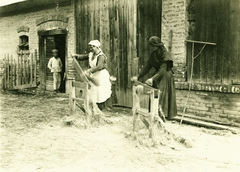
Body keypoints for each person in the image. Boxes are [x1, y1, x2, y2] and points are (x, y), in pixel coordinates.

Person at [132, 36, 177, 119]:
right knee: (153, 92)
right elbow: (147, 67)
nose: (152, 48)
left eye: (153, 46)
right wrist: (138, 76)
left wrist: (152, 79)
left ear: (157, 45)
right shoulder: (154, 53)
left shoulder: (165, 53)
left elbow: (162, 71)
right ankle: (154, 112)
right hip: (158, 75)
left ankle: (162, 115)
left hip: (166, 75)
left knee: (161, 93)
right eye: (151, 46)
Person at [71, 40, 112, 110]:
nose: (91, 48)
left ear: (97, 47)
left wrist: (89, 70)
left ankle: (102, 107)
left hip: (101, 75)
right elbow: (83, 57)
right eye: (90, 47)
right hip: (94, 74)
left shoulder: (101, 56)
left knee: (101, 90)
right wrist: (76, 56)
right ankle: (94, 106)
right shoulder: (91, 54)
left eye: (93, 46)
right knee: (94, 90)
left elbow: (99, 66)